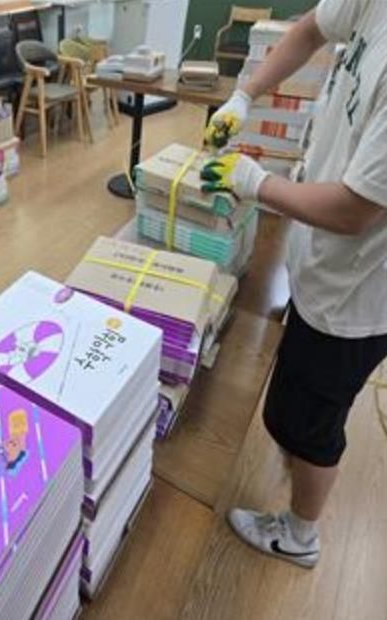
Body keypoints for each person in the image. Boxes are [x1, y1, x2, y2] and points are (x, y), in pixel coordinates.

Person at [202, 0, 387, 568]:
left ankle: (301, 535)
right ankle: (298, 451)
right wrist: (245, 93)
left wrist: (256, 183)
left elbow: (355, 210)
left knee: (310, 423)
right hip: (323, 263)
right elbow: (309, 28)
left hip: (355, 293)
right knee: (298, 398)